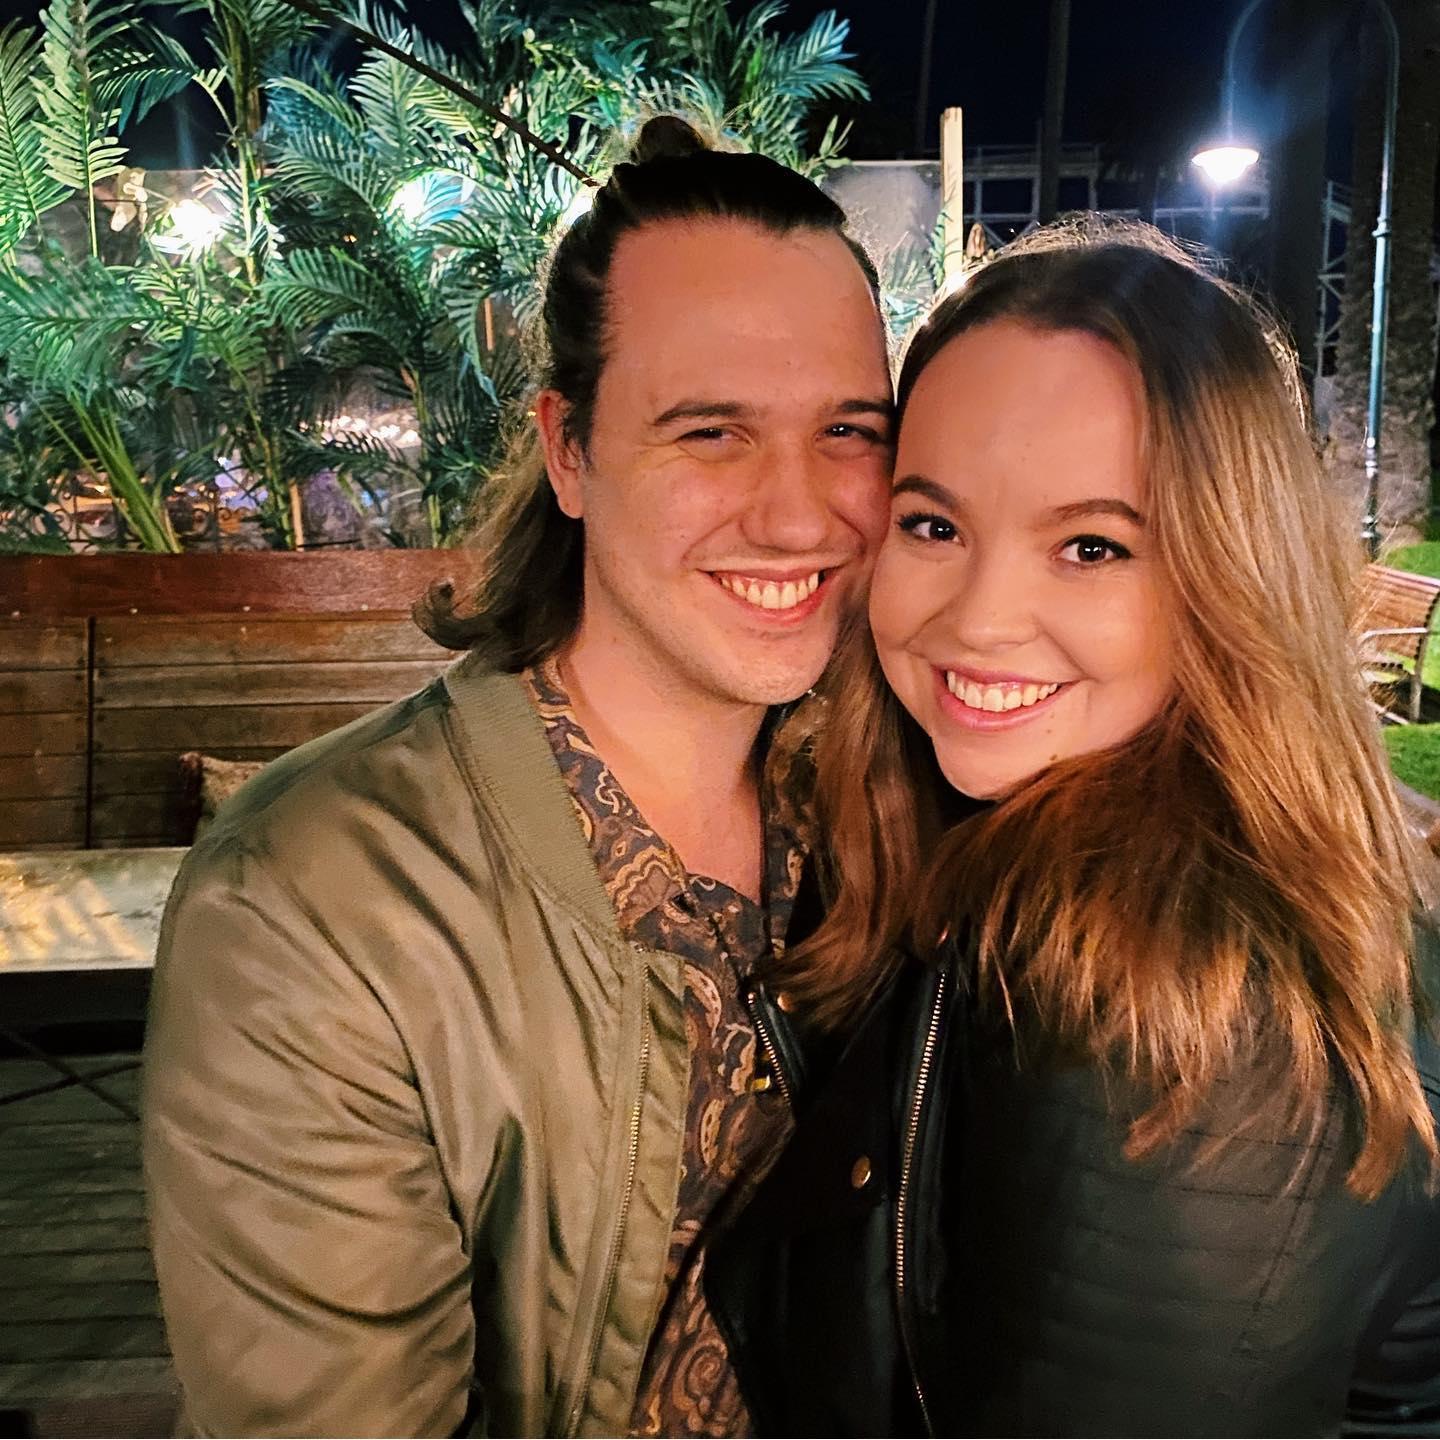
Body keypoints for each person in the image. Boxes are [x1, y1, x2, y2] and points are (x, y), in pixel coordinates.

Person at [141, 115, 894, 1437]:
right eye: (711, 432)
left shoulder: (892, 805)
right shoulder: (313, 909)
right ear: (569, 452)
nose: (798, 514)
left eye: (848, 429)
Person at [706, 221, 1440, 1437]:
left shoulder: (1181, 1008)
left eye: (1091, 546)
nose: (982, 619)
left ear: (1224, 574)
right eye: (933, 525)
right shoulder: (978, 815)